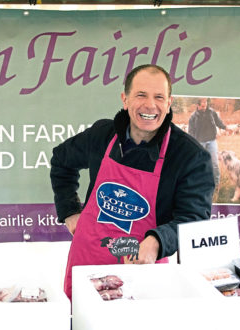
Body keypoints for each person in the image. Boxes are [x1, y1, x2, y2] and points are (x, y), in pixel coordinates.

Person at [50, 64, 214, 299]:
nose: (150, 105)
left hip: (142, 271)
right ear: (125, 99)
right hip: (88, 261)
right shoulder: (102, 135)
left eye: (159, 97)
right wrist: (69, 211)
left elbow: (194, 219)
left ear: (169, 103)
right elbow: (61, 161)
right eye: (141, 95)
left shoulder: (190, 156)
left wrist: (158, 240)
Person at [188, 97, 226, 187]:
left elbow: (218, 122)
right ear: (198, 106)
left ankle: (217, 184)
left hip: (211, 141)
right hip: (199, 143)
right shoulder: (193, 117)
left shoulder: (211, 112)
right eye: (202, 106)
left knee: (214, 163)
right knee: (199, 164)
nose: (204, 107)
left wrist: (226, 127)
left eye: (205, 105)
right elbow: (191, 131)